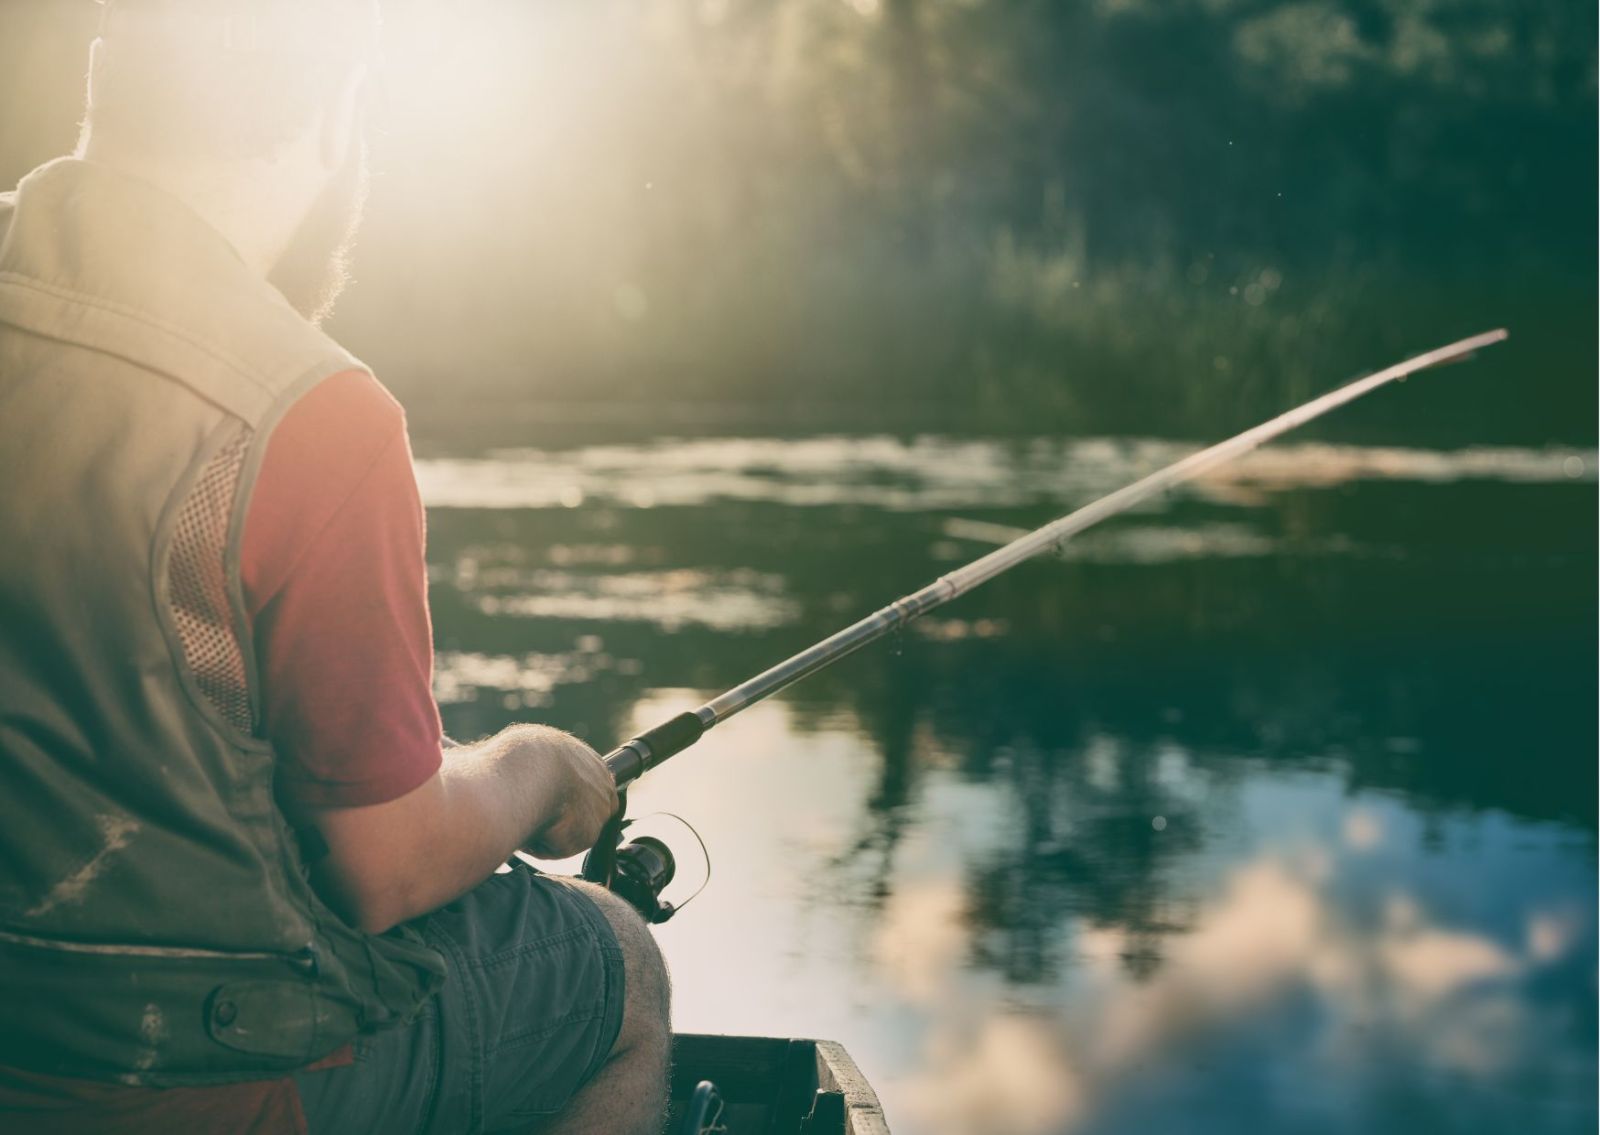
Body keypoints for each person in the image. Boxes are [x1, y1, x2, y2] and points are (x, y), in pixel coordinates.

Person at [0, 2, 671, 1132]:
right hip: (185, 1080)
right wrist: (535, 765)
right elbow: (388, 867)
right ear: (332, 117)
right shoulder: (311, 411)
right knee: (620, 967)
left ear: (107, 85)